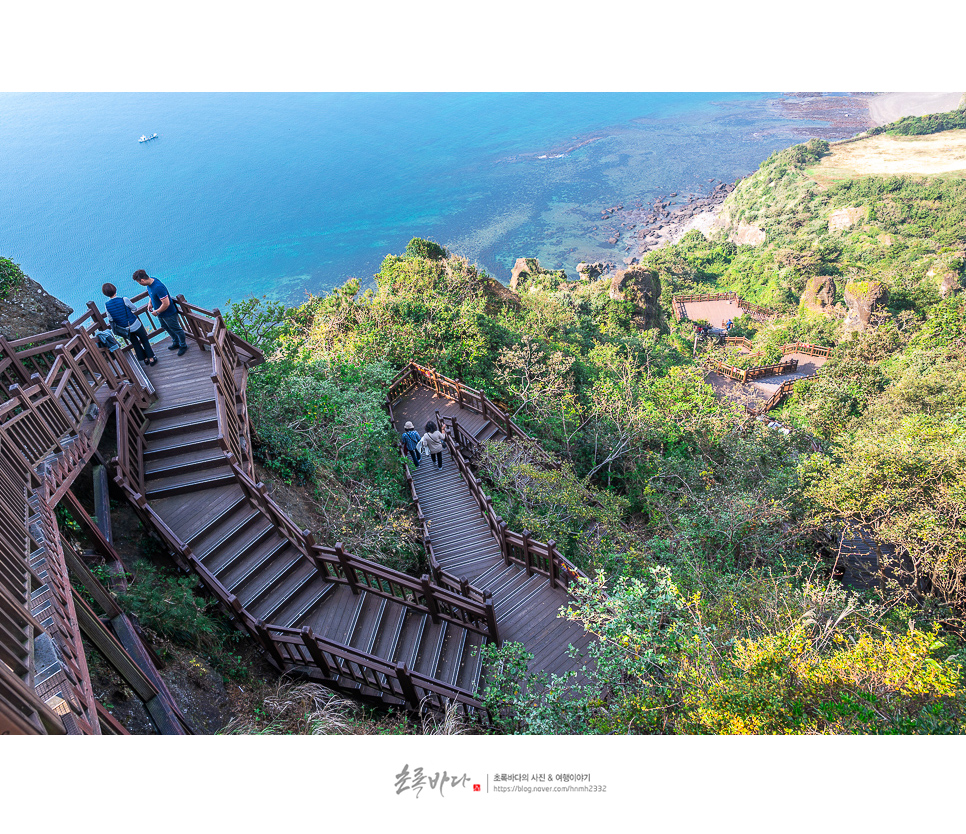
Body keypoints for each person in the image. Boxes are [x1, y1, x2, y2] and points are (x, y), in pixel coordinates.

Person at [132, 269, 187, 356]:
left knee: (176, 329)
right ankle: (176, 342)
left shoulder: (158, 287)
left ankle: (183, 345)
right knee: (165, 327)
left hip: (168, 313)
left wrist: (157, 312)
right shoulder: (150, 284)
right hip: (161, 313)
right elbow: (151, 294)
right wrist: (150, 303)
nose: (140, 284)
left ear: (142, 280)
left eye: (139, 282)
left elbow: (166, 303)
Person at [102, 282, 157, 366]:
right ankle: (151, 358)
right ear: (115, 290)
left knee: (135, 343)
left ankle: (145, 359)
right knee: (144, 340)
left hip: (125, 329)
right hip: (135, 324)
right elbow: (134, 308)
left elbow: (110, 319)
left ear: (105, 294)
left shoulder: (107, 305)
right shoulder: (124, 299)